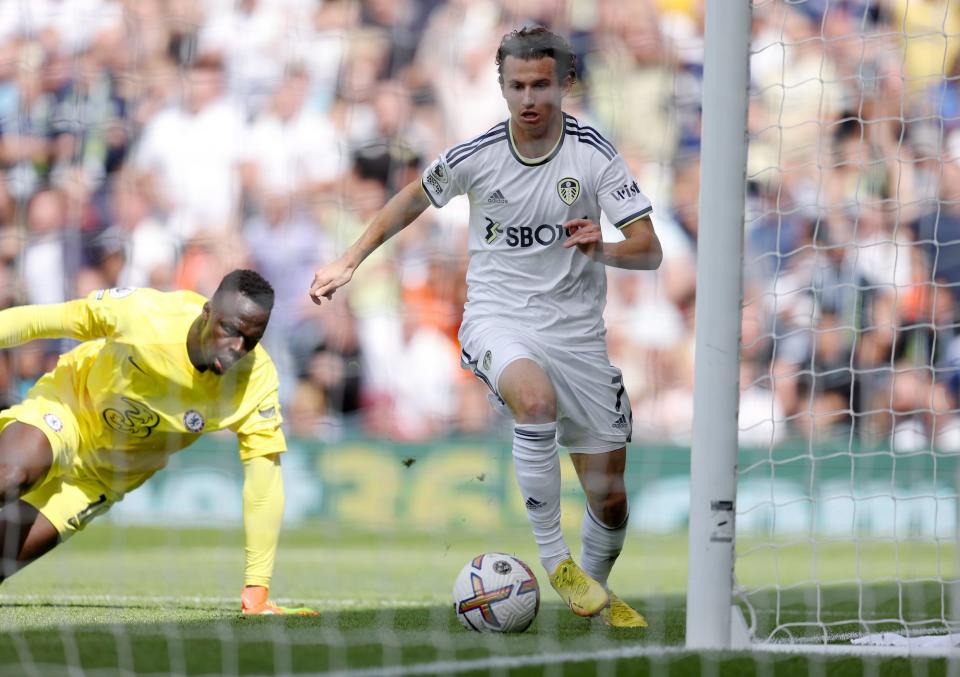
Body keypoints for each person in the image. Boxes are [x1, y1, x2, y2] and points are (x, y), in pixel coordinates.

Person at [310, 27, 662, 627]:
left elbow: (649, 250)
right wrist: (350, 257)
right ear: (501, 87)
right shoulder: (477, 155)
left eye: (542, 85)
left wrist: (600, 246)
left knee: (609, 497)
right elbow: (411, 200)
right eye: (518, 85)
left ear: (565, 85)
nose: (529, 98)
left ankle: (591, 588)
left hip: (577, 336)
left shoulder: (594, 155)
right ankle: (555, 561)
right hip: (500, 319)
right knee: (533, 398)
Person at [0, 269, 316, 615]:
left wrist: (257, 588)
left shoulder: (256, 382)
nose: (237, 347)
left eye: (251, 341)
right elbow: (46, 320)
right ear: (207, 311)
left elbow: (264, 483)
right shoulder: (145, 314)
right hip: (69, 408)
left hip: (101, 478)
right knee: (12, 473)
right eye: (230, 330)